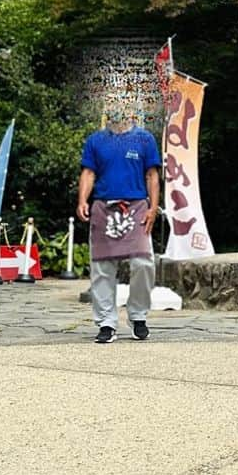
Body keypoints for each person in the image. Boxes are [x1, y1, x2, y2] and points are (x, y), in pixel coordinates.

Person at [77, 105, 161, 343]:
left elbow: (152, 175)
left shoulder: (144, 139)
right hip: (104, 207)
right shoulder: (96, 140)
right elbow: (88, 173)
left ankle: (138, 316)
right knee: (102, 267)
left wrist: (153, 208)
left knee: (143, 262)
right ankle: (106, 322)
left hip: (136, 208)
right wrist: (83, 199)